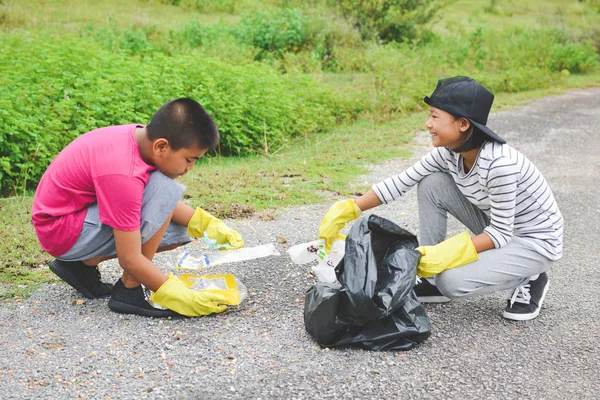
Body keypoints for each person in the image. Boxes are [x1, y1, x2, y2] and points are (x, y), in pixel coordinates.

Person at [318, 76, 563, 321]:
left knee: (452, 282)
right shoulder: (448, 153)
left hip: (534, 242)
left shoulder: (500, 165)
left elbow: (499, 233)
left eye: (435, 116)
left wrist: (445, 254)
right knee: (431, 182)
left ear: (464, 124)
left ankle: (531, 274)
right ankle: (430, 279)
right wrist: (350, 209)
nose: (427, 124)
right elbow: (401, 181)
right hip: (503, 228)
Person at [32, 98, 244, 318]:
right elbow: (130, 257)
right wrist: (181, 297)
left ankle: (83, 265)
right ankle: (128, 290)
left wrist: (206, 224)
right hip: (61, 230)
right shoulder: (123, 172)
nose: (189, 168)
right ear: (161, 146)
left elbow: (156, 200)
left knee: (180, 230)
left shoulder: (140, 139)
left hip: (73, 219)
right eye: (189, 159)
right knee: (165, 189)